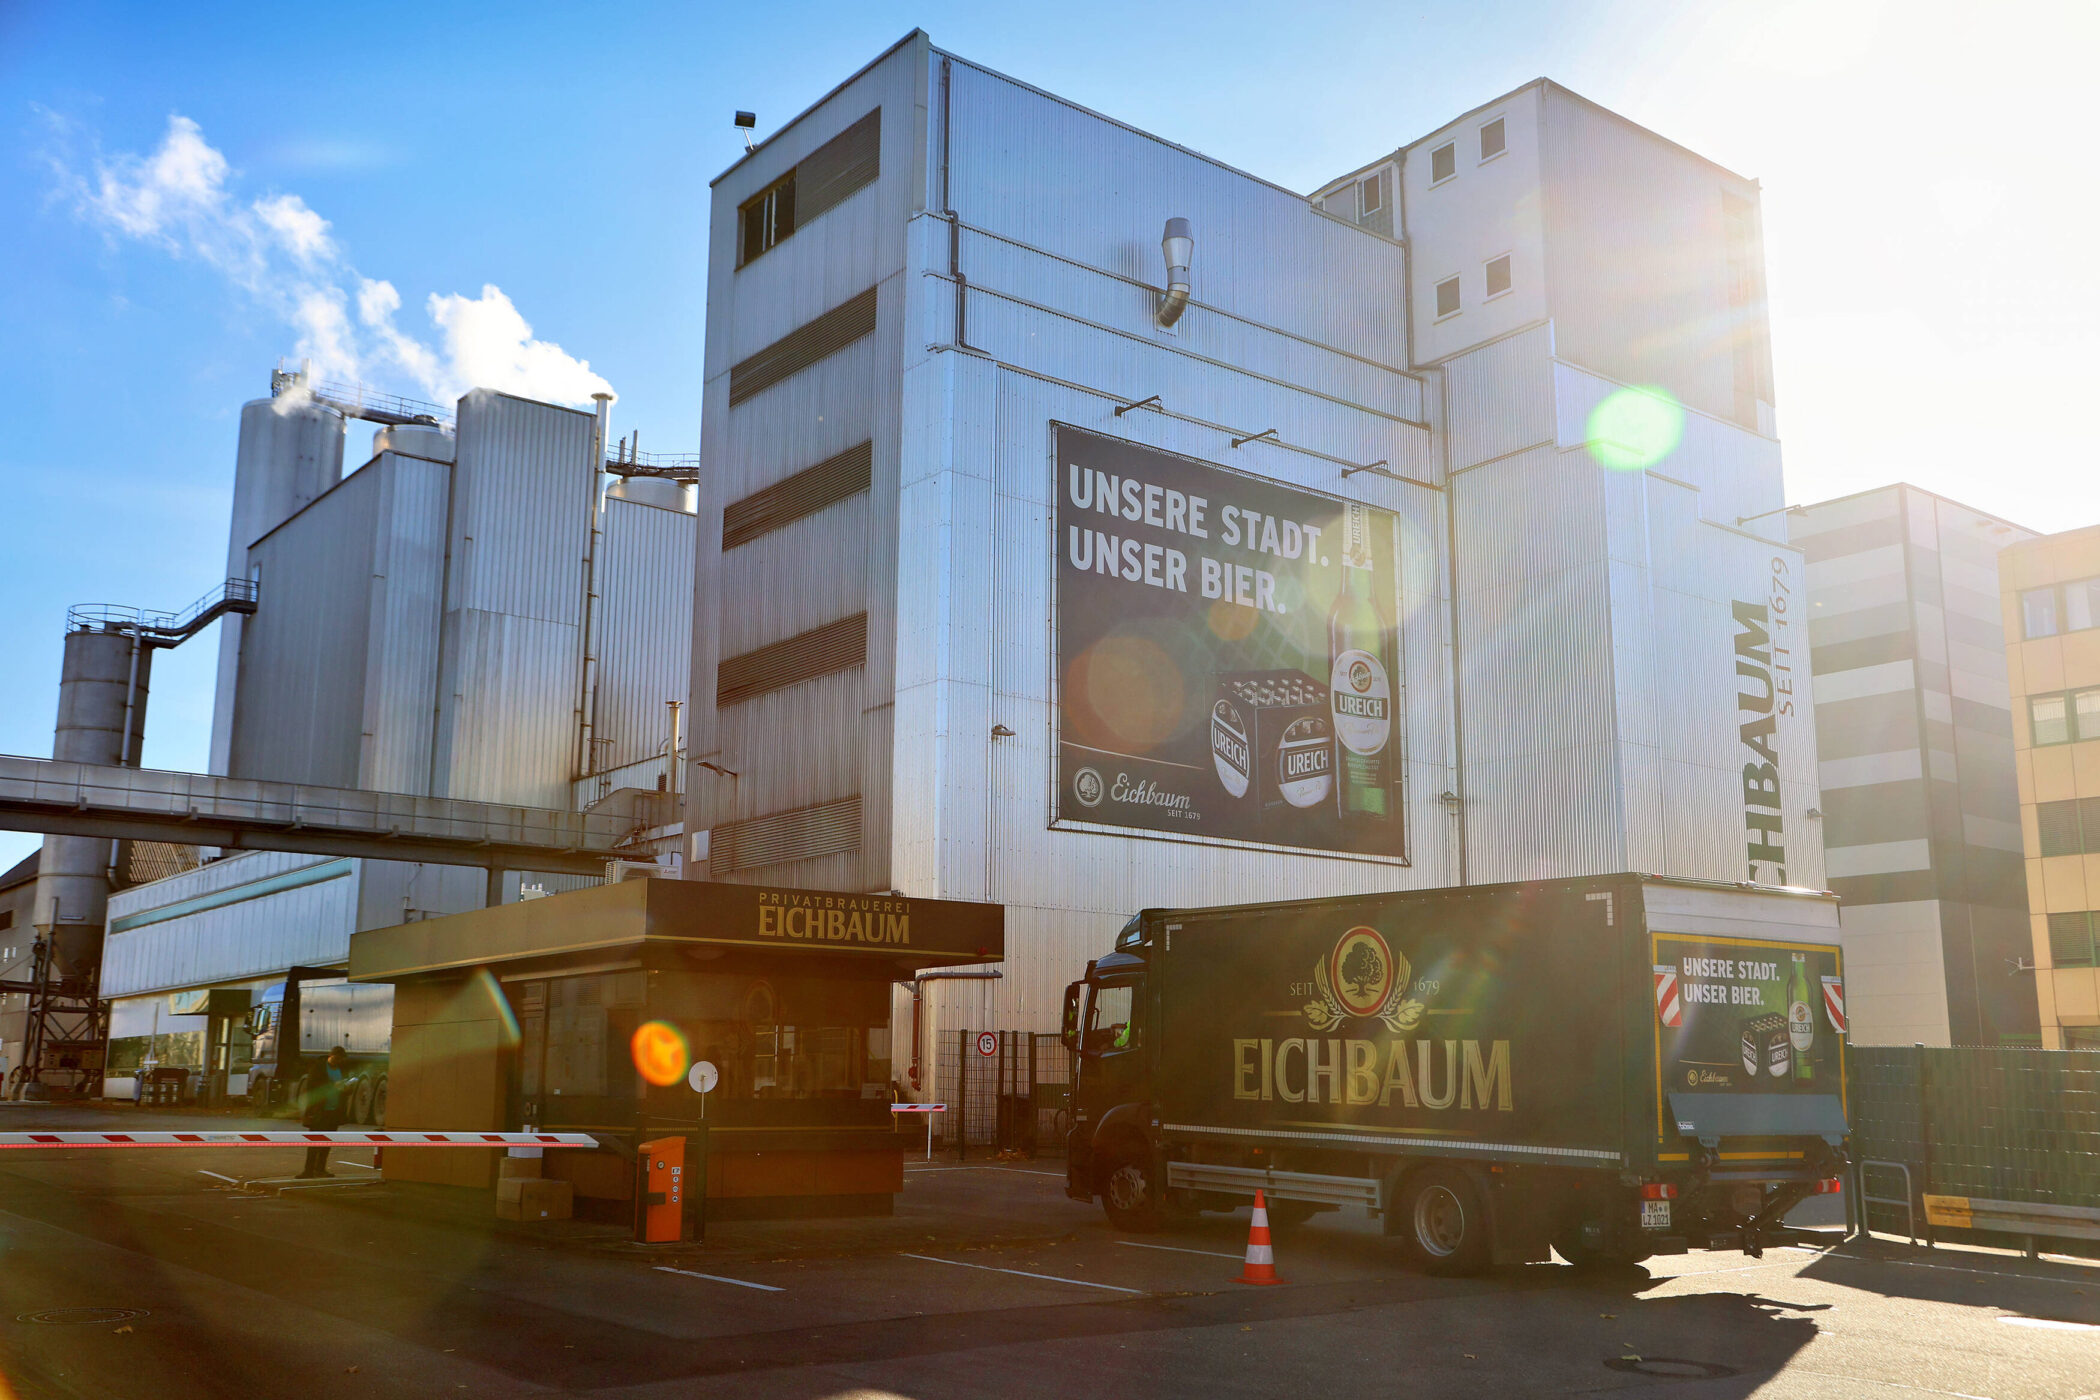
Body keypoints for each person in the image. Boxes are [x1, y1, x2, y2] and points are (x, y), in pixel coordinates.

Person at [296, 1045, 350, 1178]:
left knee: (327, 1142)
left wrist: (347, 1088)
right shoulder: (318, 1068)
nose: (338, 1062)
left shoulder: (342, 1069)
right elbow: (312, 1087)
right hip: (319, 1110)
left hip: (334, 1110)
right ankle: (308, 1170)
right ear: (331, 1056)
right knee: (314, 1142)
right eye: (337, 1059)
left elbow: (345, 1090)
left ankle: (320, 1169)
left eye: (341, 1059)